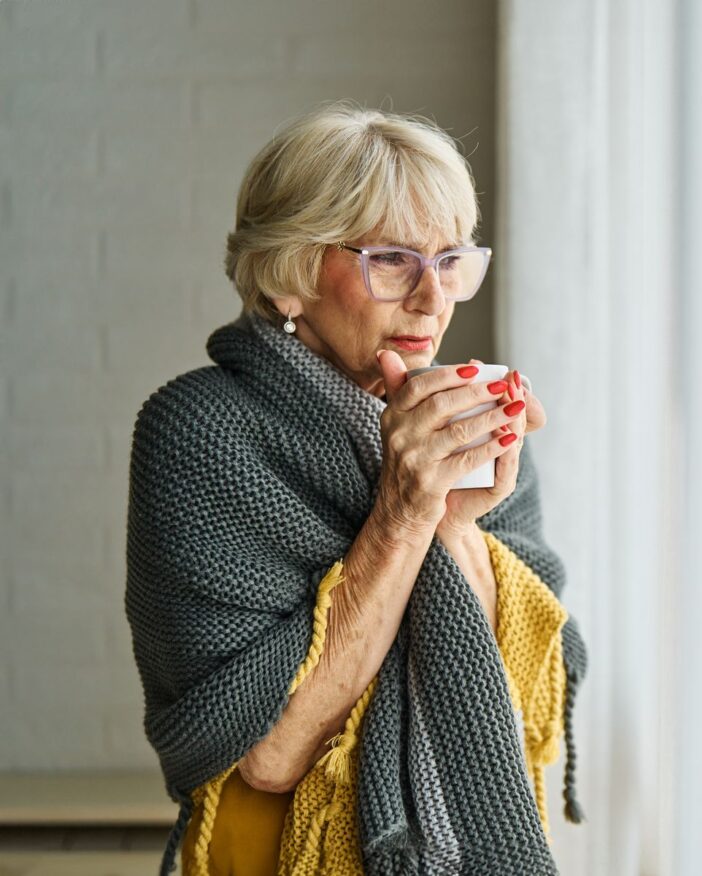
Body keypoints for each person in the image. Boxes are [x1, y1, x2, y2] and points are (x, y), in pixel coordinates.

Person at [123, 100, 588, 876]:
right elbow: (268, 757)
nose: (434, 298)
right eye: (393, 261)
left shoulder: (465, 422)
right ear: (289, 277)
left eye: (452, 261)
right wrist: (402, 517)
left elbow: (525, 689)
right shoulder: (198, 433)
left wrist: (452, 526)